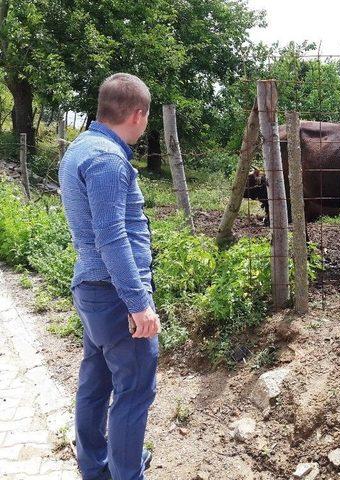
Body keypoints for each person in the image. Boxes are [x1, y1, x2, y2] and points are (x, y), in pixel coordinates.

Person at [59, 73, 161, 480]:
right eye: (147, 116)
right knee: (135, 391)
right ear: (138, 114)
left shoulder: (81, 148)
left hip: (93, 289)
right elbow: (112, 237)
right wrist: (138, 303)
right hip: (115, 292)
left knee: (96, 381)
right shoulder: (106, 159)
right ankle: (125, 474)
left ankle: (96, 468)